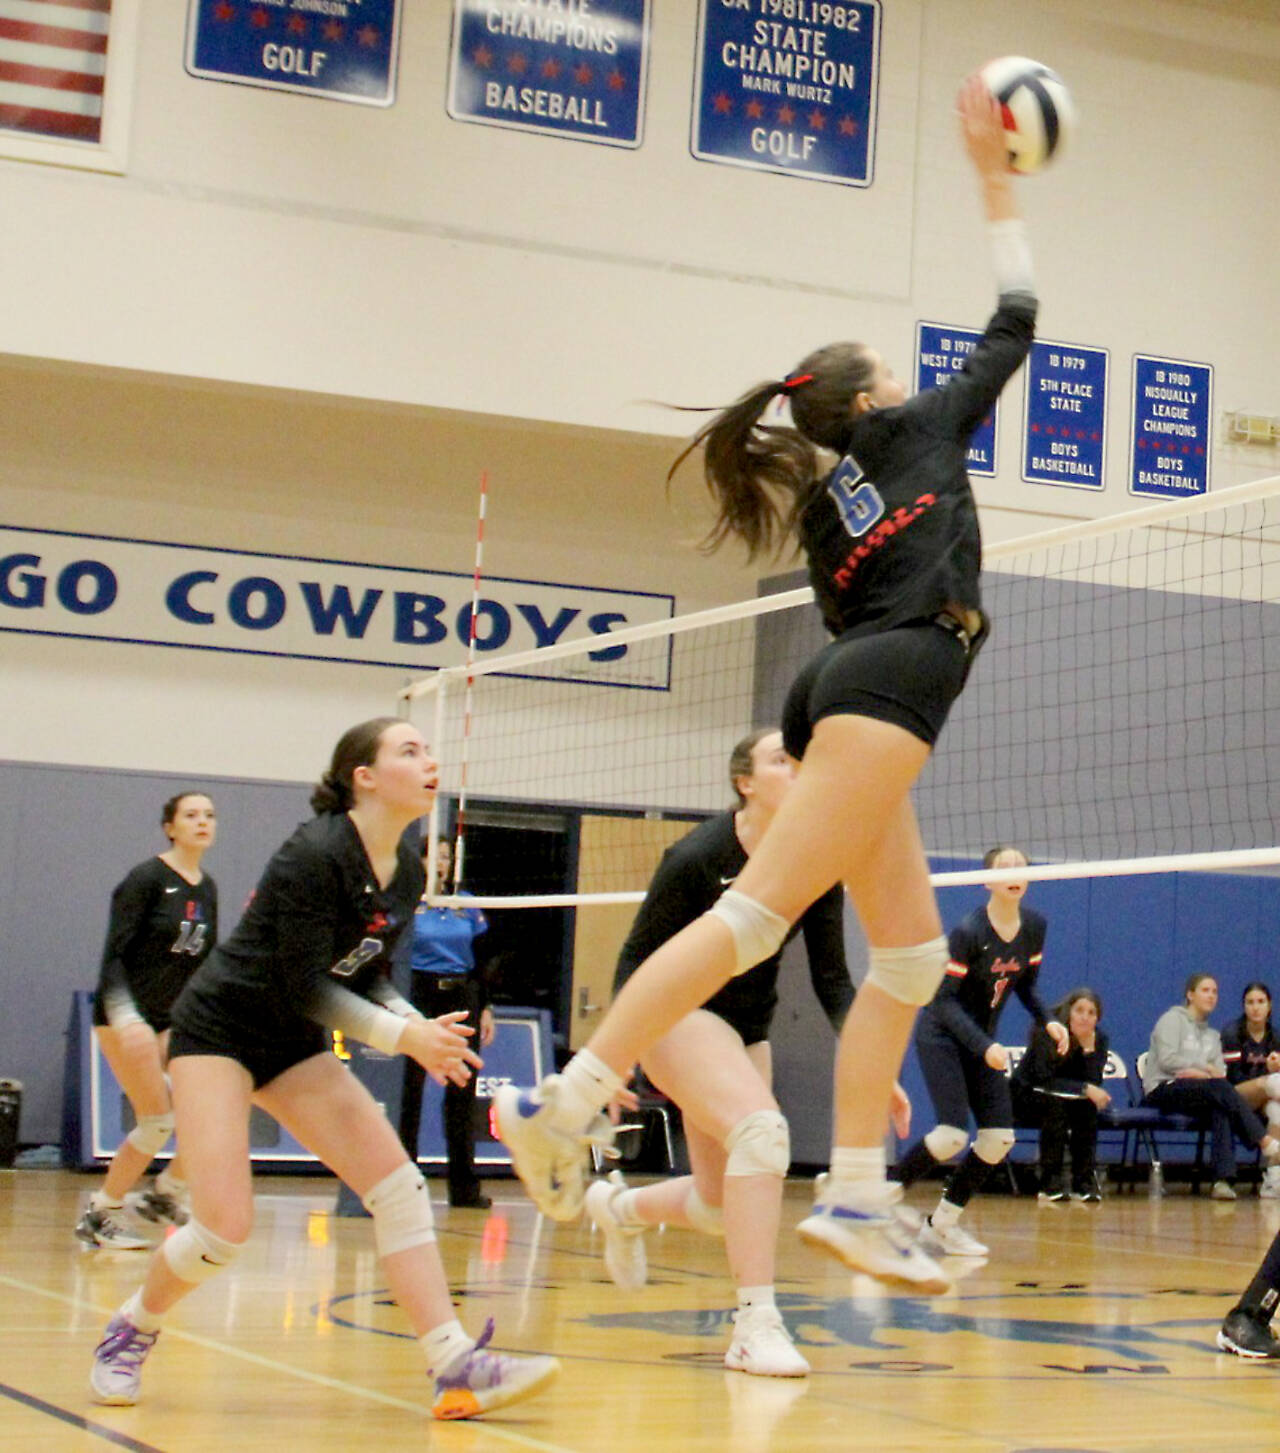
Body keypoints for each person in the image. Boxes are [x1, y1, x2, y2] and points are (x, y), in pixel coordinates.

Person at [494, 75, 1037, 1296]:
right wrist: (994, 184)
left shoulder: (830, 494)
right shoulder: (914, 435)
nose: (910, 378)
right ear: (871, 400)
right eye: (894, 371)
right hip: (895, 681)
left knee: (903, 963)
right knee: (751, 916)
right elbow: (1014, 320)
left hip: (847, 682)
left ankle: (852, 1196)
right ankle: (569, 1101)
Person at [88, 718, 559, 1421]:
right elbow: (304, 983)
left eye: (428, 750)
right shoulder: (315, 852)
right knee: (222, 1229)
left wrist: (414, 1020)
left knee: (399, 1186)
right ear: (362, 777)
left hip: (290, 1042)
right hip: (219, 1032)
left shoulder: (404, 865)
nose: (429, 760)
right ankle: (133, 1324)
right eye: (410, 750)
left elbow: (366, 974)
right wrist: (406, 1036)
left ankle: (454, 1363)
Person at [586, 727, 910, 1376]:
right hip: (678, 1014)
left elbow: (833, 979)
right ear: (746, 782)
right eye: (780, 760)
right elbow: (633, 964)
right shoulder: (696, 858)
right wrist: (609, 1058)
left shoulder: (817, 861)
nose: (797, 769)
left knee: (716, 1204)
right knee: (764, 1132)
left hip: (745, 1030)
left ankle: (620, 1209)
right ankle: (754, 1323)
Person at [890, 846, 1067, 1255]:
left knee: (998, 1139)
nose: (1014, 872)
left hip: (983, 1044)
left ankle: (942, 1224)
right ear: (986, 881)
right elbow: (943, 1001)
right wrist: (984, 1044)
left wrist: (1048, 1019)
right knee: (951, 1135)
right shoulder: (969, 932)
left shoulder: (1035, 927)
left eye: (1021, 865)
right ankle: (878, 1200)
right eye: (1004, 867)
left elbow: (1025, 984)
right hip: (943, 1036)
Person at [76, 792, 219, 1250]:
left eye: (209, 815)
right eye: (191, 815)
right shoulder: (146, 879)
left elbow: (200, 963)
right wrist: (126, 1018)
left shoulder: (206, 887)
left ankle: (163, 1196)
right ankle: (101, 1214)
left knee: (209, 1109)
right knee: (157, 1121)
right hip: (125, 1016)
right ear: (169, 827)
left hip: (169, 1019)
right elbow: (113, 957)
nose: (202, 822)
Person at [398, 837, 495, 1208]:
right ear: (419, 861)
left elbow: (483, 962)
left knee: (462, 1092)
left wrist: (486, 1007)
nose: (441, 863)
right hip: (418, 995)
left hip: (461, 995)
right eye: (434, 857)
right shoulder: (409, 902)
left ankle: (464, 1189)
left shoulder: (465, 905)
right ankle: (406, 1184)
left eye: (446, 857)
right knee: (410, 1092)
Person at [1142, 973, 1280, 1201]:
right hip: (1164, 1087)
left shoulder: (1212, 1036)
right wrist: (1200, 1068)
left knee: (1221, 1105)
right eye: (1205, 990)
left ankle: (1222, 1181)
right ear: (1190, 994)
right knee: (1219, 1090)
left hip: (1200, 1090)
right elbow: (1168, 1060)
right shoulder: (1171, 1020)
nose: (1211, 996)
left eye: (1215, 991)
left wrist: (1201, 1072)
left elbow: (1220, 1072)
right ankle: (1264, 1141)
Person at [1012, 987, 1110, 1203]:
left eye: (1091, 1013)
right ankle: (1049, 1182)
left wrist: (1087, 1052)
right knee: (1055, 1106)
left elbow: (1094, 1082)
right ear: (1068, 1012)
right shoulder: (1050, 1032)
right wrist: (1084, 1089)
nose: (1085, 1017)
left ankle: (1083, 1182)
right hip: (1026, 1096)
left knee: (1087, 1109)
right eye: (1079, 1010)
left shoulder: (1099, 1040)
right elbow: (1043, 1078)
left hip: (1069, 1099)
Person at [1221, 981, 1280, 1198]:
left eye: (1260, 1002)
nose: (1255, 1007)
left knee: (1276, 1109)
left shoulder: (1275, 1037)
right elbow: (1232, 1077)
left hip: (1267, 1098)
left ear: (1269, 1006)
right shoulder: (1232, 1034)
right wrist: (1267, 1069)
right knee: (1275, 1083)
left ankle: (1273, 1178)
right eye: (1250, 1003)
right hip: (1234, 1095)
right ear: (1244, 1007)